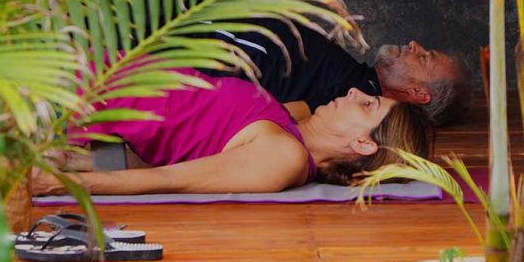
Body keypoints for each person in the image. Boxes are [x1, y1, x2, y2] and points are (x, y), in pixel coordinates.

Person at [31, 69, 430, 196]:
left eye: (368, 105)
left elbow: (169, 179)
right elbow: (182, 143)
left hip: (64, 99)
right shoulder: (291, 129)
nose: (355, 91)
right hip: (83, 86)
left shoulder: (284, 158)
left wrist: (60, 182)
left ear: (363, 143)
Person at [202, 18, 472, 126]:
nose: (415, 45)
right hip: (201, 25)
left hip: (192, 45)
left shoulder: (356, 102)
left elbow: (278, 118)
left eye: (425, 58)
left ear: (418, 93)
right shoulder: (359, 81)